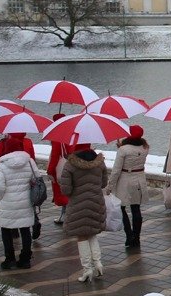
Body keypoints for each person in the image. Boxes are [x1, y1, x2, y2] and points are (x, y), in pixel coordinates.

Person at [59, 143, 108, 283]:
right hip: (96, 203)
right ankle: (98, 264)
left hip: (78, 205)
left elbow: (66, 190)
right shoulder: (100, 163)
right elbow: (103, 183)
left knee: (82, 236)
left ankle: (87, 270)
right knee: (92, 233)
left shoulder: (70, 165)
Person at [0, 135, 40, 269]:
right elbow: (37, 179)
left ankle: (10, 259)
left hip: (8, 203)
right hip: (26, 202)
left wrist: (1, 198)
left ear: (7, 149)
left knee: (6, 230)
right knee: (25, 229)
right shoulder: (29, 161)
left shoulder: (2, 165)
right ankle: (25, 259)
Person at [107, 125, 149, 250]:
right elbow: (134, 152)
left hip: (125, 179)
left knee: (122, 207)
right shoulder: (145, 147)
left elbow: (116, 170)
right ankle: (136, 238)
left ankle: (129, 234)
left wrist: (110, 185)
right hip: (139, 179)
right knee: (136, 208)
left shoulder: (123, 149)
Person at [47, 113, 70, 228]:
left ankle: (64, 215)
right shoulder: (71, 133)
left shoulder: (57, 137)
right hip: (71, 166)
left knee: (62, 192)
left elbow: (55, 156)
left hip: (61, 169)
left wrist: (50, 171)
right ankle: (67, 214)